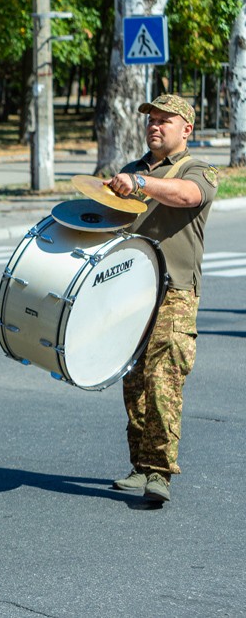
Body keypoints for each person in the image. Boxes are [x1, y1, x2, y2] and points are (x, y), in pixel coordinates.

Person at [104, 94, 216, 505]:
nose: (154, 125)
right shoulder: (132, 169)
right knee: (133, 379)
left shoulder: (198, 169)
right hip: (131, 290)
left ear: (186, 129)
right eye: (150, 119)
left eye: (164, 120)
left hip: (175, 289)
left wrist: (142, 183)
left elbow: (185, 196)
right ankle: (140, 464)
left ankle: (160, 471)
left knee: (163, 378)